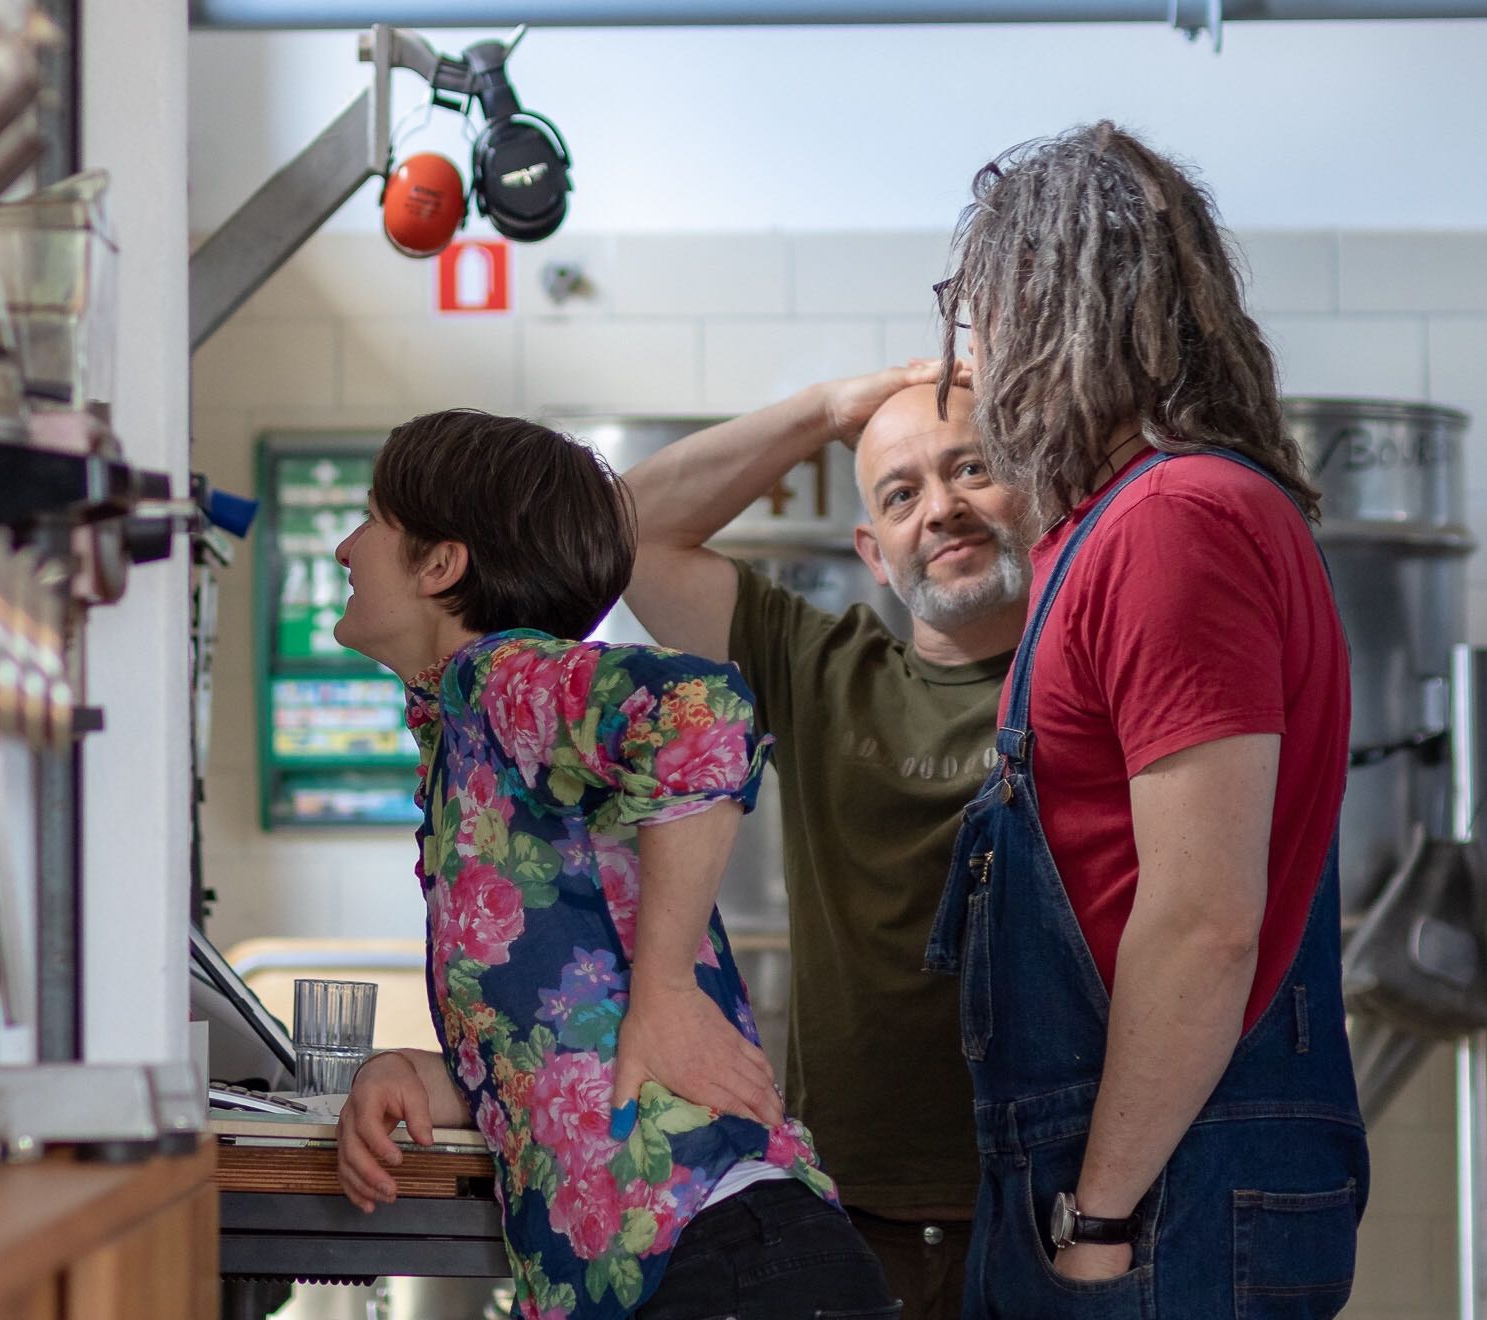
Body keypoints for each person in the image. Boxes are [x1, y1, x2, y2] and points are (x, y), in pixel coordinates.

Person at [922, 121, 1368, 1317]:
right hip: (1136, 1179)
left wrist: (1098, 1219)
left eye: (975, 312)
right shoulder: (1113, 529)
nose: (969, 355)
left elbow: (1205, 921)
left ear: (1047, 304)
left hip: (1161, 1201)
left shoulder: (1174, 525)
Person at [328, 409, 898, 1320]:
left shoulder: (495, 676)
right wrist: (418, 1071)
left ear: (440, 567)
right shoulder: (470, 736)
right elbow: (571, 1042)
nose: (344, 550)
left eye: (371, 521)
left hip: (722, 1261)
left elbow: (701, 710)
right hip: (719, 1264)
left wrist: (668, 989)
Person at [621, 373, 1031, 1319]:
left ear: (1038, 498)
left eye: (972, 469)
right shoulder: (820, 669)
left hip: (1049, 1216)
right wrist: (827, 411)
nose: (941, 508)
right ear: (873, 554)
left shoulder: (1094, 671)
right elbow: (624, 534)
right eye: (901, 494)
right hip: (848, 1222)